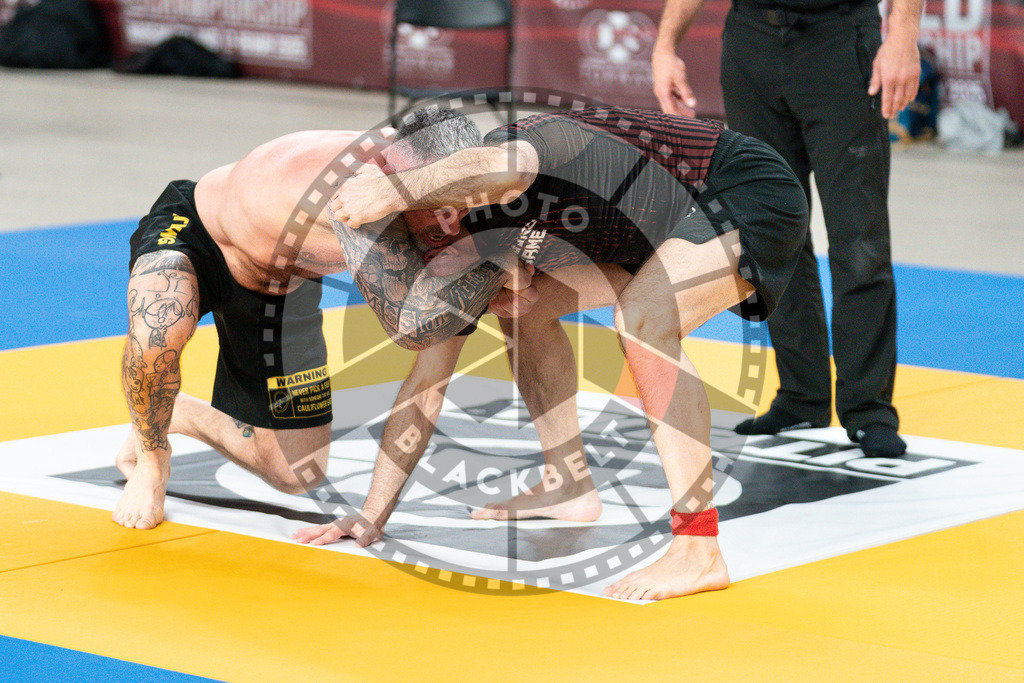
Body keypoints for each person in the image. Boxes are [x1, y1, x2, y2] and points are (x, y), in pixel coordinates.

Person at [296, 106, 810, 600]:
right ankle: (567, 484)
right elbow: (428, 379)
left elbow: (503, 169)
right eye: (424, 233)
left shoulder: (530, 143)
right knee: (522, 309)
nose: (441, 237)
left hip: (735, 185)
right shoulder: (473, 247)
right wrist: (372, 514)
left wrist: (389, 190)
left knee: (644, 320)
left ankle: (699, 547)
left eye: (439, 218)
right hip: (654, 233)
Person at [114, 112, 536, 530]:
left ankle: (178, 413)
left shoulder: (432, 160)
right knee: (159, 326)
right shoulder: (357, 191)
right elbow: (412, 326)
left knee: (296, 474)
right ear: (397, 176)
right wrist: (498, 262)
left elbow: (515, 166)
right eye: (437, 208)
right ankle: (152, 459)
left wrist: (480, 255)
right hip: (199, 231)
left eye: (458, 208)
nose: (450, 223)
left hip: (283, 281)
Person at [651, 0, 921, 456]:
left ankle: (869, 409)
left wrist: (903, 35)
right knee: (770, 232)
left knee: (859, 239)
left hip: (839, 38)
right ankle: (802, 395)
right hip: (750, 40)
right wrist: (664, 47)